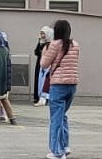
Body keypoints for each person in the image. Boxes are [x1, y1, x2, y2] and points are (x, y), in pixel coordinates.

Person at [41, 19, 79, 159]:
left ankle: (57, 151)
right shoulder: (75, 45)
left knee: (55, 118)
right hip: (72, 84)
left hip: (58, 84)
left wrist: (45, 49)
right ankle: (65, 145)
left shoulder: (55, 45)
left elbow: (44, 64)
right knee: (62, 115)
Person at [34, 26, 54, 106]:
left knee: (45, 80)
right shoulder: (40, 42)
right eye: (41, 33)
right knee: (38, 79)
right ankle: (38, 96)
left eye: (43, 34)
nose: (42, 35)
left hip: (46, 63)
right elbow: (36, 52)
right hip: (39, 62)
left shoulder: (50, 43)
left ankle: (45, 97)